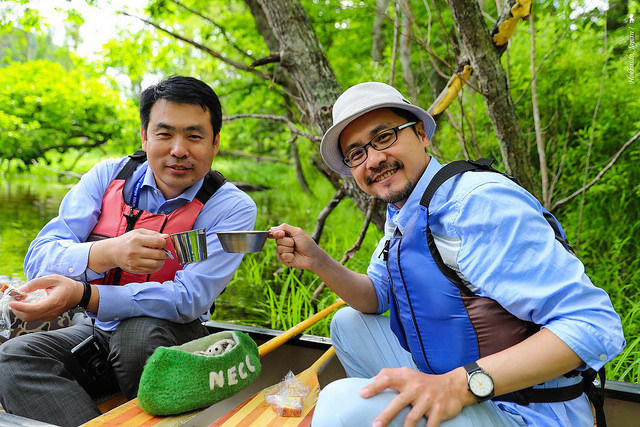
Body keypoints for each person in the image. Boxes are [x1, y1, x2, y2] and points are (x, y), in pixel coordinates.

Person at [269, 82, 625, 426]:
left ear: (422, 134)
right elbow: (376, 296)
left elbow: (594, 325)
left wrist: (456, 385)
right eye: (357, 153)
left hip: (527, 411)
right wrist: (317, 260)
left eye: (383, 137)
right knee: (348, 324)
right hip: (466, 387)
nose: (373, 160)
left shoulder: (476, 203)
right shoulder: (405, 212)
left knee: (341, 404)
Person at [0, 76, 257, 426]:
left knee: (136, 336)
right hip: (96, 331)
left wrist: (84, 293)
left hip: (172, 335)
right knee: (12, 358)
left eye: (194, 136)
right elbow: (37, 258)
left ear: (215, 143)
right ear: (145, 137)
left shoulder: (232, 208)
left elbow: (189, 300)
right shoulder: (107, 176)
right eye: (164, 134)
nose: (178, 149)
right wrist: (106, 253)